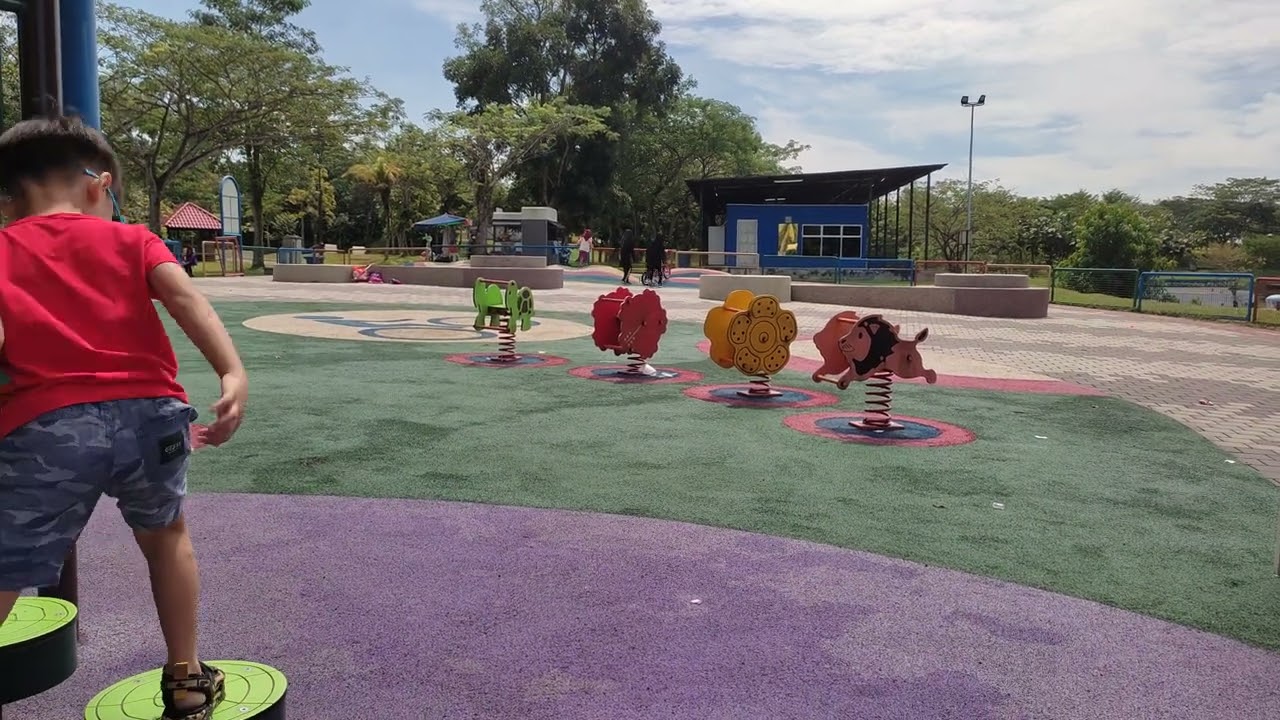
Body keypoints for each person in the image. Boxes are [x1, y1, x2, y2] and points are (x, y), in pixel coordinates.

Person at [0, 115, 247, 720]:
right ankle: (187, 680)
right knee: (166, 537)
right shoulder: (133, 239)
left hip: (46, 425)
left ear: (6, 199)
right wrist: (233, 373)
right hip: (153, 419)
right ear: (99, 184)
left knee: (7, 561)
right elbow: (187, 300)